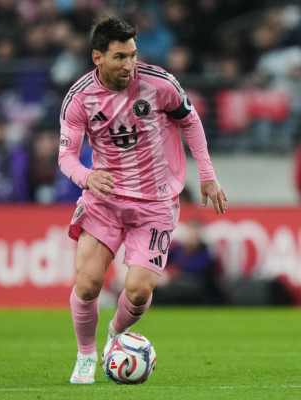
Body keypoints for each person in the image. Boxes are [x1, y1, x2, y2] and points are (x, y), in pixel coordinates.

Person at [58, 16, 227, 384]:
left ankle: (115, 334)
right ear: (98, 57)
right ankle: (85, 356)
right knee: (88, 283)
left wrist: (207, 174)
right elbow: (66, 156)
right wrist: (87, 177)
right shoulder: (79, 98)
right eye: (120, 57)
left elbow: (191, 121)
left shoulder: (159, 84)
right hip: (104, 199)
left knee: (137, 290)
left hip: (155, 202)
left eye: (133, 55)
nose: (129, 65)